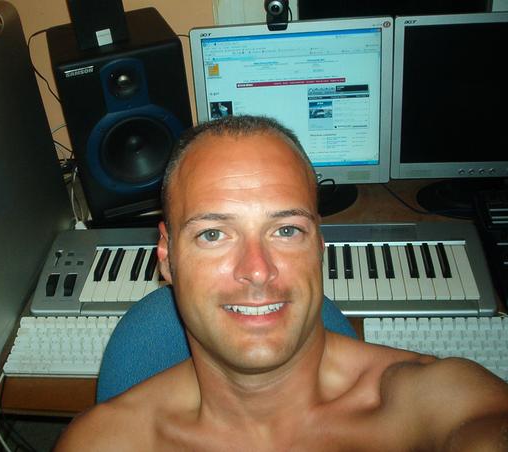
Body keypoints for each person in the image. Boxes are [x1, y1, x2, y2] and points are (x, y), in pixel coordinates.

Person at [55, 115, 508, 451]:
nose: (257, 270)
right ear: (167, 258)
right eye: (213, 234)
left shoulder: (431, 403)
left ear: (319, 248)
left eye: (286, 230)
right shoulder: (106, 442)